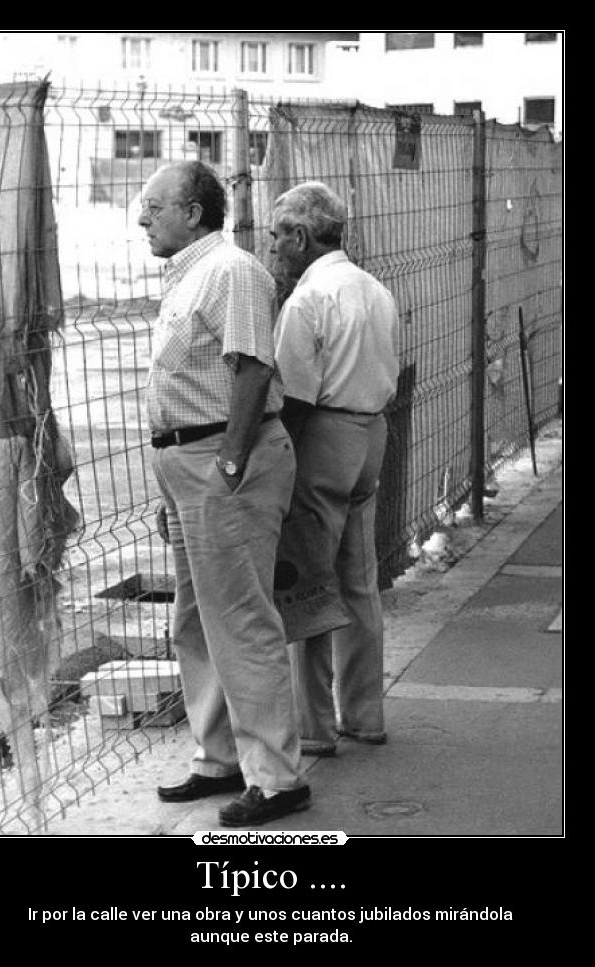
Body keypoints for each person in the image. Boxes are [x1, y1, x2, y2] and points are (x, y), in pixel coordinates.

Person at [139, 160, 310, 826]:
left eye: (154, 205)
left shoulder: (231, 271)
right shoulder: (190, 275)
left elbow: (252, 368)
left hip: (222, 457)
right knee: (194, 616)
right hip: (189, 462)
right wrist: (175, 480)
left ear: (194, 210)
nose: (142, 217)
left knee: (240, 617)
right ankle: (220, 757)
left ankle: (277, 776)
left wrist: (230, 465)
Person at [271, 181, 400, 757]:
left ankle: (315, 726)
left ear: (300, 235)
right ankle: (365, 713)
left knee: (305, 580)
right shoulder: (374, 289)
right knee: (359, 577)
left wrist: (273, 463)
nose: (274, 249)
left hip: (323, 434)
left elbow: (293, 398)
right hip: (372, 431)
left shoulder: (307, 299)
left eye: (278, 237)